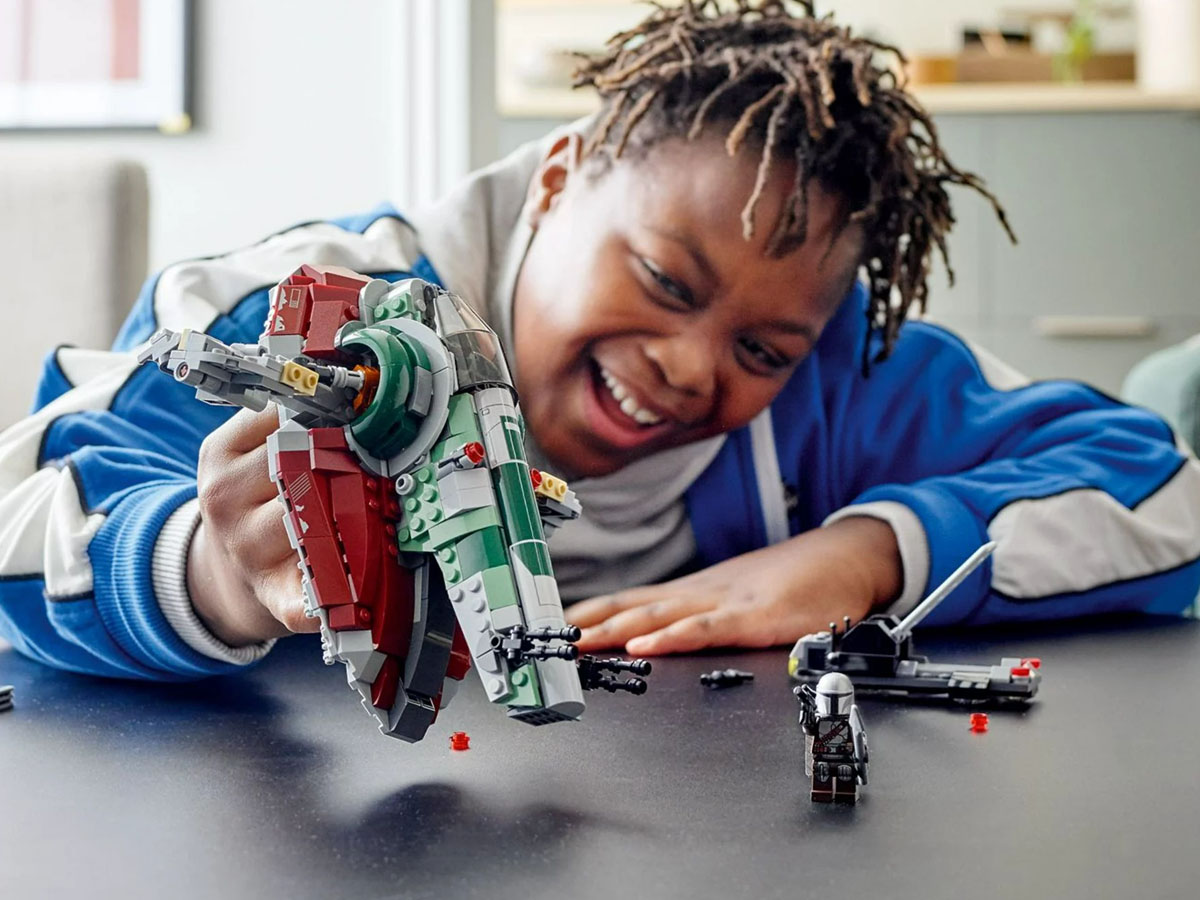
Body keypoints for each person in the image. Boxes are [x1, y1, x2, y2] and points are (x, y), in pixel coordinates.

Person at [0, 1, 1196, 681]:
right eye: (666, 279)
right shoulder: (313, 315)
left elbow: (1166, 489)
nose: (691, 366)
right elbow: (32, 503)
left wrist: (873, 554)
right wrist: (214, 576)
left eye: (762, 351)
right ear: (561, 177)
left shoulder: (834, 379)